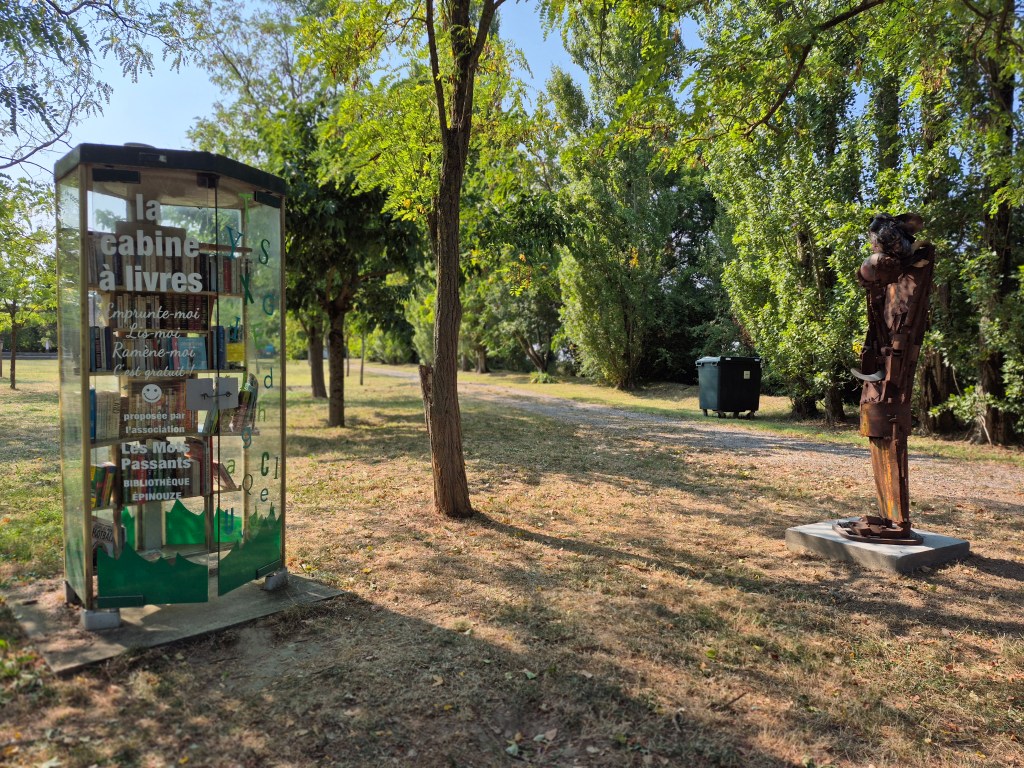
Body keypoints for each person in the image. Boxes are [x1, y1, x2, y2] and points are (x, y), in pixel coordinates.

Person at [837, 213, 935, 544]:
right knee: (877, 425)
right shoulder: (891, 280)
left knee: (890, 427)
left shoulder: (914, 266)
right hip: (880, 363)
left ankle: (899, 521)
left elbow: (903, 322)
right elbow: (870, 281)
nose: (872, 248)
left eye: (875, 243)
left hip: (895, 367)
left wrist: (879, 265)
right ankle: (889, 514)